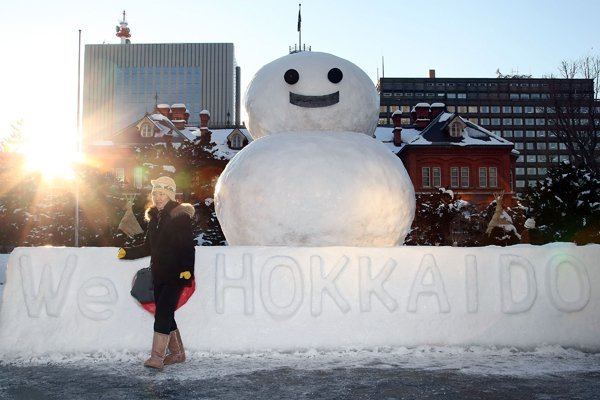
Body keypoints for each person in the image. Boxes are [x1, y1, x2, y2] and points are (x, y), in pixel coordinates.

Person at [117, 176, 196, 369]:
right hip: (159, 274)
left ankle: (157, 358)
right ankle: (177, 354)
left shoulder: (179, 217)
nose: (158, 198)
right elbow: (148, 248)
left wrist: (187, 270)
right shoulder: (154, 219)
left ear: (170, 195)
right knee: (165, 313)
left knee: (162, 312)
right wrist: (128, 253)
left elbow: (187, 247)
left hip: (176, 275)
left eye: (162, 194)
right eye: (155, 194)